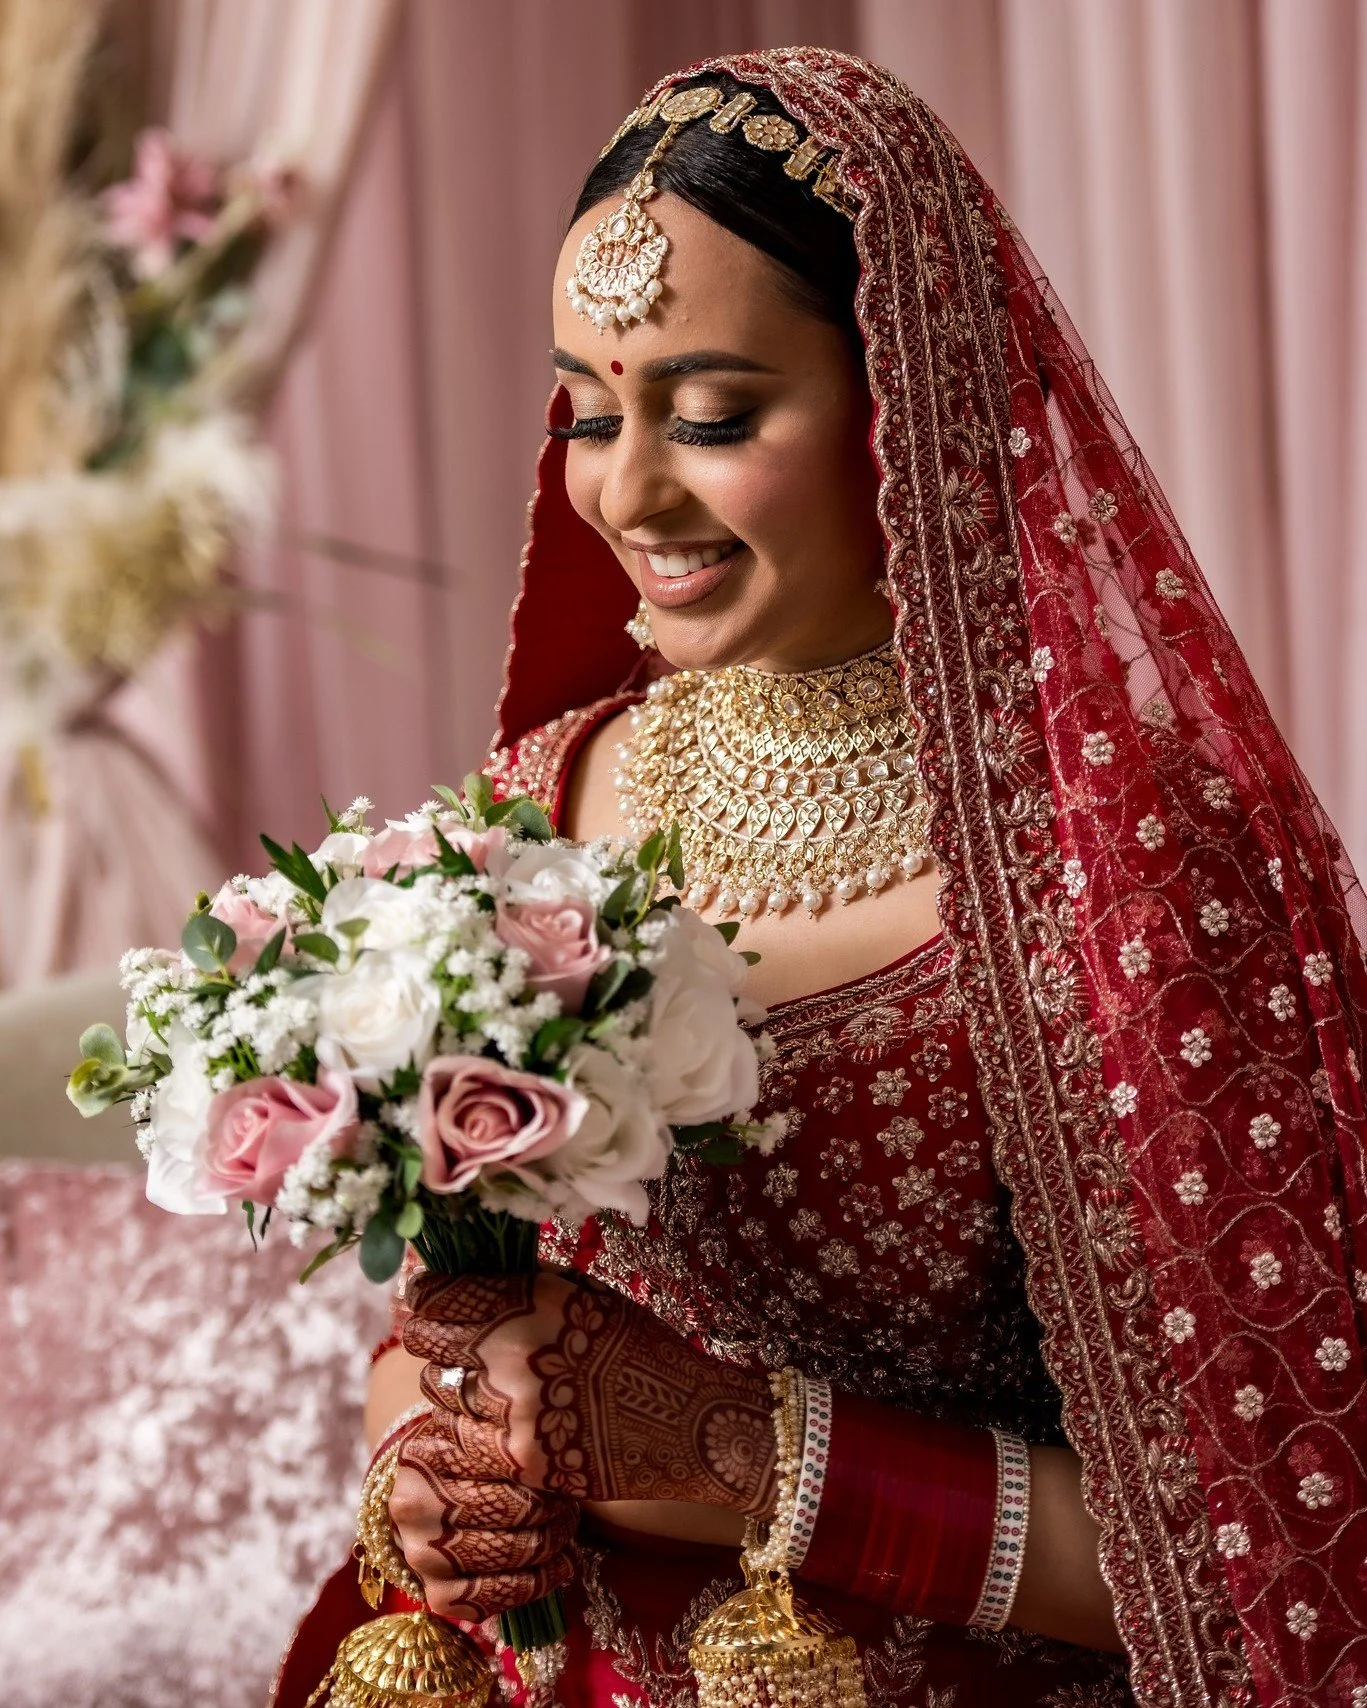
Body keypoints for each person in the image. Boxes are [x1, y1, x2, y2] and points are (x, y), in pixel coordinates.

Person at [274, 47, 1367, 1708]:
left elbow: (1281, 1553)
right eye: (585, 409)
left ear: (906, 400)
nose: (625, 489)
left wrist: (750, 1451)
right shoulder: (547, 792)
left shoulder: (1124, 860)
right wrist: (438, 1468)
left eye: (709, 416)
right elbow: (459, 1321)